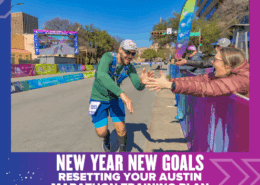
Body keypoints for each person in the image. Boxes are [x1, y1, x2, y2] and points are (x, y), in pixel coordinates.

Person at [89, 39, 154, 152]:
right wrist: (122, 94)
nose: (129, 56)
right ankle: (106, 137)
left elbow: (138, 87)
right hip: (98, 98)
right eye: (127, 52)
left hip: (115, 98)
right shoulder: (108, 57)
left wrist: (143, 82)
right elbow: (102, 75)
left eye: (133, 53)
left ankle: (123, 153)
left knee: (121, 130)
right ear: (120, 49)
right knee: (101, 132)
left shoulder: (130, 68)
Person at [144, 47, 249, 98]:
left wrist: (171, 85)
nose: (212, 63)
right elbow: (199, 79)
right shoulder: (229, 72)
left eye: (216, 60)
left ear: (228, 64)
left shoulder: (243, 79)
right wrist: (171, 82)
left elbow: (206, 88)